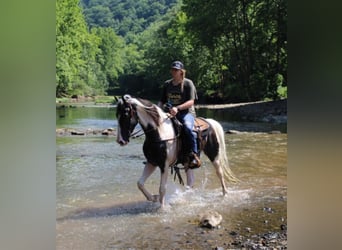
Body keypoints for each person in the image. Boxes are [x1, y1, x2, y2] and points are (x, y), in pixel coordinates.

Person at [158, 61, 201, 186]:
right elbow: (161, 101)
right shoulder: (167, 84)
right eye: (172, 69)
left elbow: (191, 102)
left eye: (176, 70)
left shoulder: (188, 83)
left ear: (181, 71)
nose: (173, 72)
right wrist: (158, 113)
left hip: (185, 113)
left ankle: (193, 155)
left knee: (187, 128)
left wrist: (178, 108)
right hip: (169, 113)